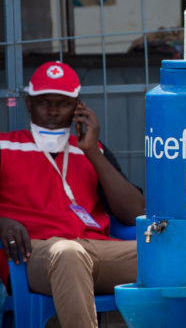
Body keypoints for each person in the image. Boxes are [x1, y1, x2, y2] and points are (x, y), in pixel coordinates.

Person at [0, 61, 145, 328]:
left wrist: (91, 150)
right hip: (35, 253)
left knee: (166, 254)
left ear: (78, 107)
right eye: (44, 102)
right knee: (68, 252)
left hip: (96, 249)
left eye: (63, 103)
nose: (53, 110)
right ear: (29, 104)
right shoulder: (5, 146)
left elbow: (135, 212)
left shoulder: (92, 150)